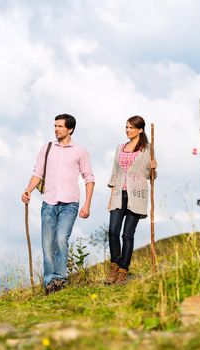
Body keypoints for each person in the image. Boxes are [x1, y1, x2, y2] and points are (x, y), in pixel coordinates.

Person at [21, 114, 95, 295]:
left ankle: (60, 279)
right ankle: (49, 283)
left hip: (70, 204)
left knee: (61, 240)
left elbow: (89, 178)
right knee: (47, 244)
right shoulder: (47, 148)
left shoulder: (80, 151)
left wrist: (87, 205)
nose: (56, 129)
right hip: (48, 203)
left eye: (60, 126)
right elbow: (37, 173)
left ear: (70, 129)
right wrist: (28, 190)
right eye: (55, 126)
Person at [105, 115, 157, 285]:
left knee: (127, 234)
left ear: (140, 130)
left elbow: (152, 176)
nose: (128, 130)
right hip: (119, 194)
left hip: (137, 195)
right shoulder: (119, 148)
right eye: (126, 127)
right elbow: (115, 173)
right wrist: (111, 196)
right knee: (113, 231)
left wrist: (153, 168)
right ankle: (115, 265)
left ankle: (123, 270)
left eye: (131, 128)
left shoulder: (148, 149)